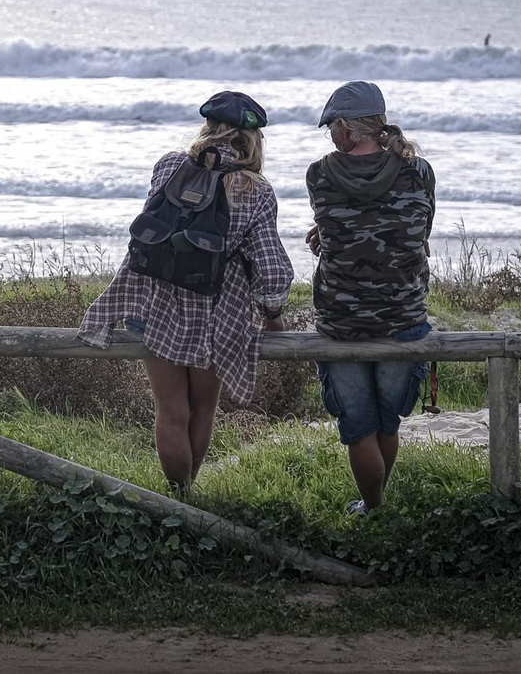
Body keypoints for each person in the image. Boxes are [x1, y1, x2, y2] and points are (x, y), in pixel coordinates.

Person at [79, 91, 294, 495]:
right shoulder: (254, 189)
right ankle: (189, 495)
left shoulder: (169, 165)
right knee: (202, 410)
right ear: (252, 139)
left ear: (208, 127)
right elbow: (269, 264)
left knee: (170, 411)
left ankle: (178, 496)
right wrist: (273, 313)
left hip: (154, 302)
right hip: (217, 312)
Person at [305, 81, 436, 515]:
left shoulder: (320, 173)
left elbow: (342, 222)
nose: (330, 137)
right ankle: (378, 507)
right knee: (387, 420)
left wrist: (328, 236)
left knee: (359, 427)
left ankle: (373, 507)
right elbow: (417, 234)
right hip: (404, 317)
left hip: (341, 321)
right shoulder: (419, 171)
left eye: (331, 129)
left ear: (345, 129)